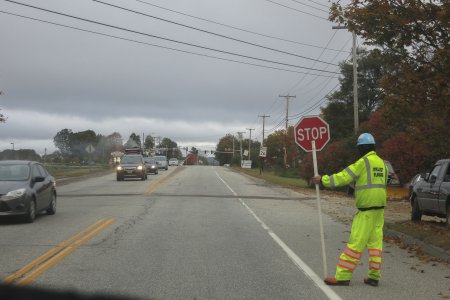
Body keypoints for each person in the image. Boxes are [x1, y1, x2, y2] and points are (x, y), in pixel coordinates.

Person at [312, 133, 388, 287]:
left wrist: (323, 180)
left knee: (355, 243)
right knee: (375, 245)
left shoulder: (363, 162)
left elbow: (344, 177)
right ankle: (374, 276)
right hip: (379, 210)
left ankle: (342, 277)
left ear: (361, 148)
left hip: (366, 210)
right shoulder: (382, 163)